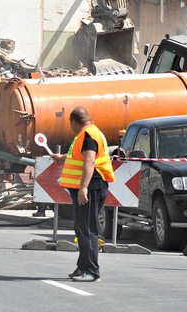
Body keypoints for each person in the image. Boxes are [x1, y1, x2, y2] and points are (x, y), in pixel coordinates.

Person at [51, 106, 115, 283]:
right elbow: (79, 156)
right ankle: (83, 266)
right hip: (93, 186)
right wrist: (62, 157)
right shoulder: (90, 133)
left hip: (91, 187)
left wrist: (83, 188)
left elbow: (89, 161)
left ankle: (92, 271)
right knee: (82, 228)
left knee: (87, 229)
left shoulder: (88, 136)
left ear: (74, 121)